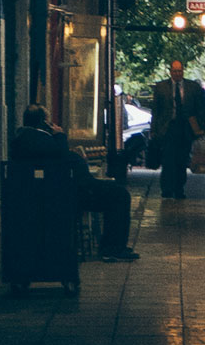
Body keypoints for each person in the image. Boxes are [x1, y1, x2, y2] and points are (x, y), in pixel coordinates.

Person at [11, 104, 139, 262]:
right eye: (49, 121)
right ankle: (113, 248)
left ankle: (113, 246)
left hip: (71, 187)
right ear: (44, 122)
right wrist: (59, 135)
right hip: (72, 191)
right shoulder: (36, 139)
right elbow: (61, 158)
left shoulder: (30, 138)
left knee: (116, 192)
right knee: (120, 195)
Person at [150, 60, 205, 198]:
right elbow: (156, 111)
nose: (177, 73)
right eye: (175, 71)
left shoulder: (192, 87)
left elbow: (200, 108)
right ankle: (167, 188)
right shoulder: (161, 87)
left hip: (186, 128)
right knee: (167, 159)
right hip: (168, 128)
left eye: (180, 71)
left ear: (183, 71)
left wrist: (201, 127)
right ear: (170, 71)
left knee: (182, 160)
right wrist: (154, 129)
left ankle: (179, 189)